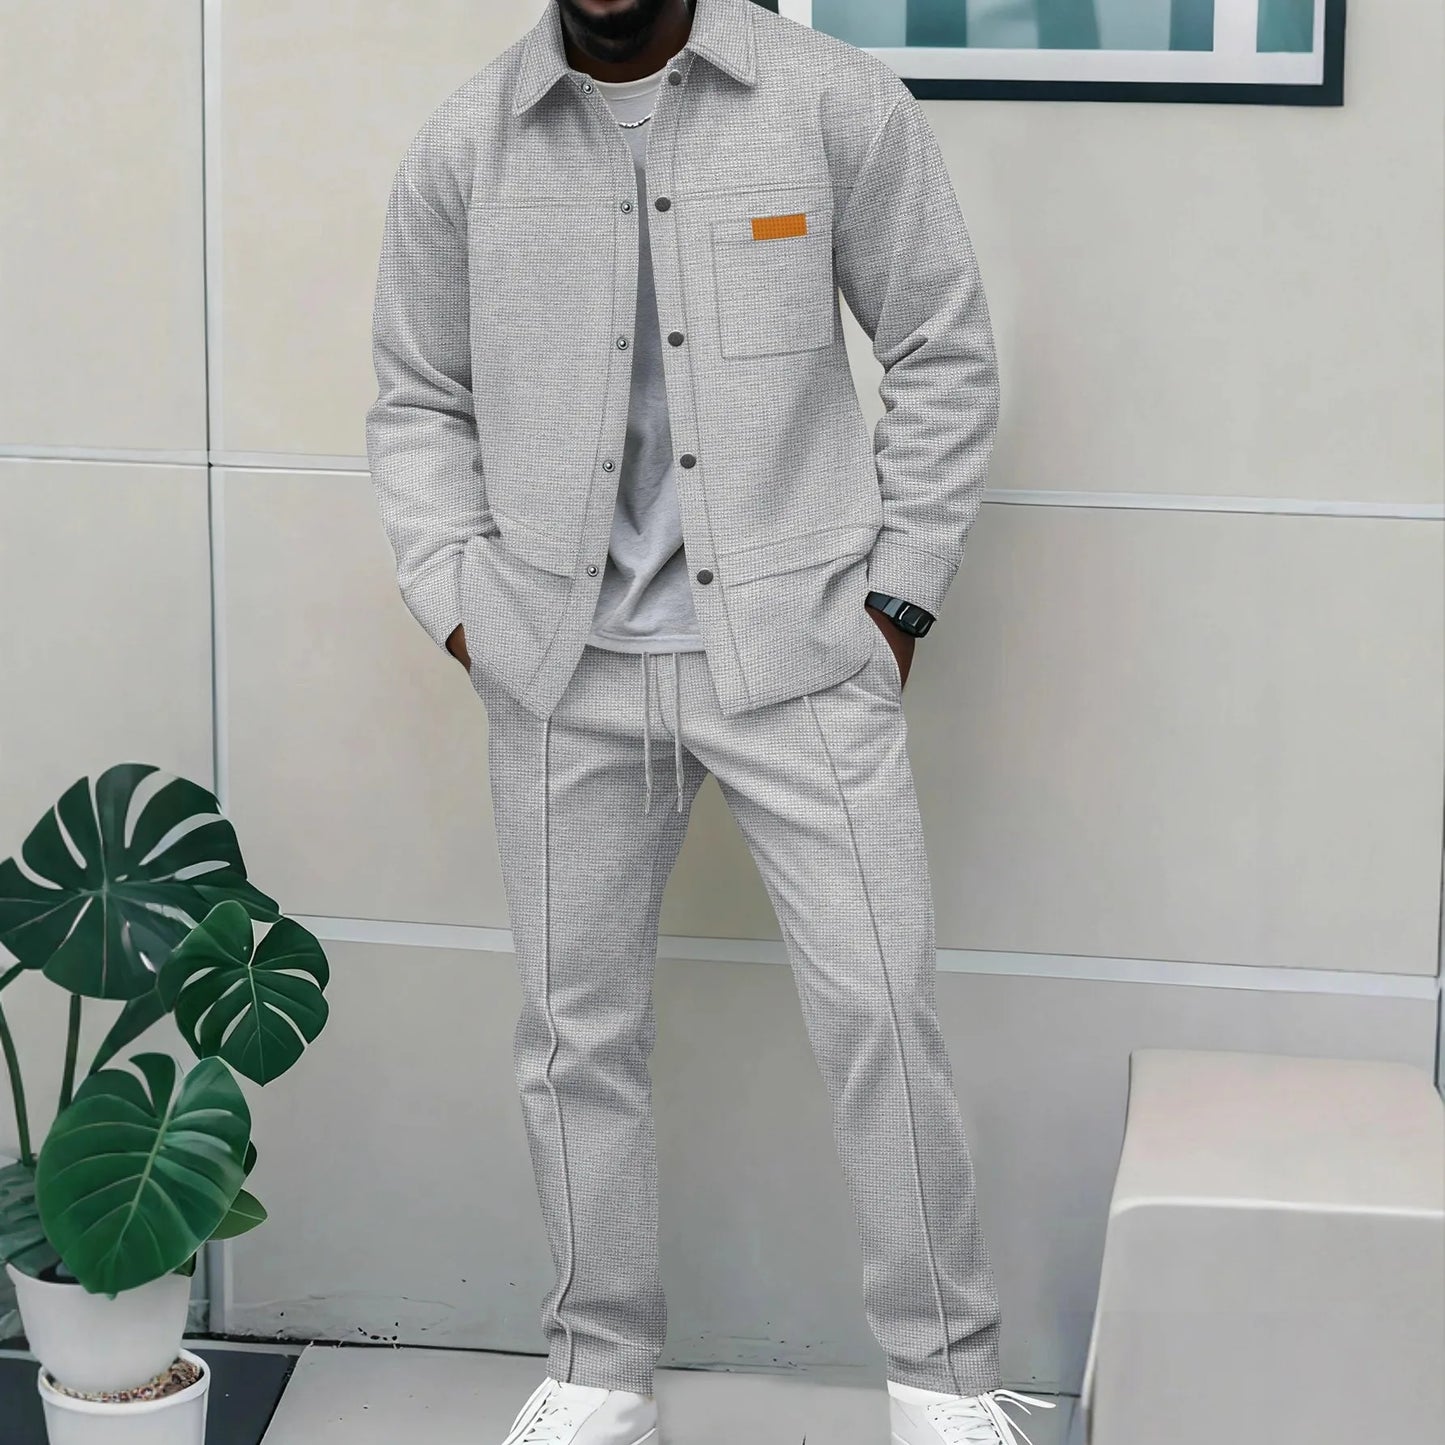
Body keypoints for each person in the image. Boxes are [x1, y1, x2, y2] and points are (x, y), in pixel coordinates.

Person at [366, 2, 1053, 1441]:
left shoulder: (831, 104)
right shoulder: (465, 146)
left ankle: (943, 1381)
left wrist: (897, 600)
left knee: (879, 1011)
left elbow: (942, 348)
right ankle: (597, 1372)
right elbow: (418, 396)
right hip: (560, 669)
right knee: (574, 1038)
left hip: (800, 654)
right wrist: (460, 603)